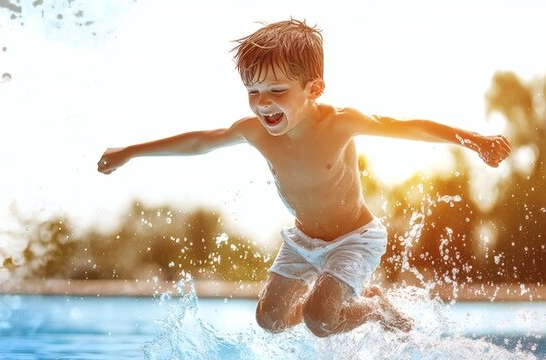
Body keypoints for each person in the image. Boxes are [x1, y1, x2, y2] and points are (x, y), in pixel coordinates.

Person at [96, 19, 511, 337]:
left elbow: (409, 127)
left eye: (277, 90)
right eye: (253, 91)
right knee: (271, 321)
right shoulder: (255, 131)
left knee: (320, 321)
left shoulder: (339, 123)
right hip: (302, 241)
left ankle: (375, 307)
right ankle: (343, 300)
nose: (263, 104)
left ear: (313, 88)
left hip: (355, 238)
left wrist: (473, 140)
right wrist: (129, 153)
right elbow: (199, 142)